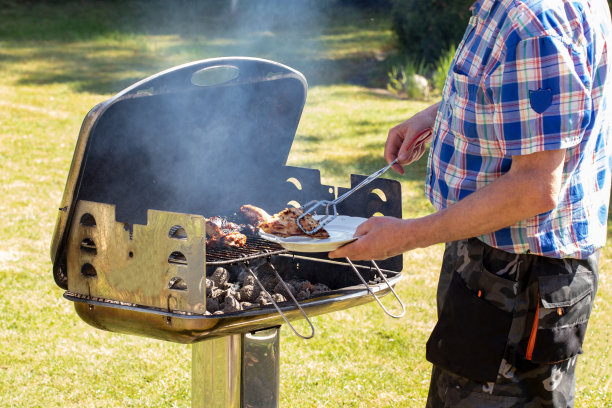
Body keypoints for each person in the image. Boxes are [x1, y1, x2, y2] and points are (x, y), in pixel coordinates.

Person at [329, 0, 612, 406]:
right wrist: (439, 115)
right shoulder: (509, 10)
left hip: (519, 280)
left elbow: (534, 186)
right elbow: (521, 97)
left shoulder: (533, 22)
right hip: (494, 264)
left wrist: (406, 235)